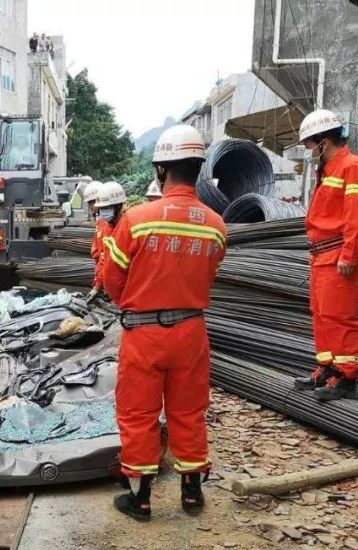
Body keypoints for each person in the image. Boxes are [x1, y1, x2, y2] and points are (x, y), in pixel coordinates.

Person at [99, 124, 226, 521]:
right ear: (197, 169)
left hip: (144, 333)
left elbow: (111, 281)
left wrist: (136, 305)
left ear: (161, 170)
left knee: (139, 413)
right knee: (188, 411)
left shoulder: (136, 221)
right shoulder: (216, 227)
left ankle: (140, 498)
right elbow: (208, 275)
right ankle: (191, 493)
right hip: (192, 331)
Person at [294, 109, 358, 401]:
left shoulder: (352, 167)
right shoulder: (328, 170)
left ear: (323, 142)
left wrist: (349, 256)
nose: (307, 150)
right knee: (322, 315)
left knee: (340, 317)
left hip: (339, 255)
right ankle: (327, 369)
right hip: (322, 257)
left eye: (308, 144)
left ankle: (346, 378)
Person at [88, 181, 125, 302]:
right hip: (112, 292)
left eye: (106, 208)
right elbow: (104, 258)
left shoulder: (127, 228)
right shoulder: (107, 227)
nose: (103, 211)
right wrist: (98, 286)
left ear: (118, 206)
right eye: (102, 208)